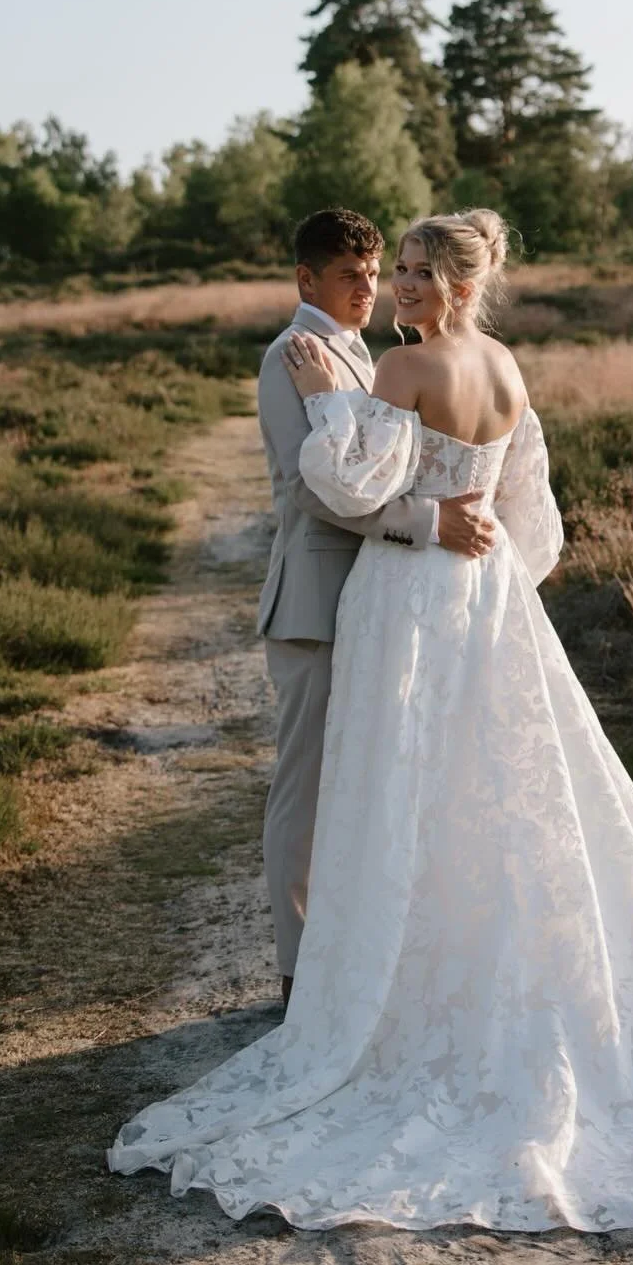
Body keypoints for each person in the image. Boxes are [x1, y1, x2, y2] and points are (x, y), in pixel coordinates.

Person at [109, 208, 633, 1232]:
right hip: (487, 604)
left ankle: (385, 980)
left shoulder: (397, 371)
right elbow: (531, 516)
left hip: (410, 600)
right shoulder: (505, 364)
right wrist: (486, 560)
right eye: (389, 271)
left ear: (456, 281)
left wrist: (332, 406)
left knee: (404, 785)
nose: (397, 287)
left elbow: (344, 479)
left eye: (412, 272)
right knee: (483, 785)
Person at [251, 207, 497, 1012]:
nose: (370, 287)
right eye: (351, 276)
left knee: (375, 787)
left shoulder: (384, 355)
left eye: (375, 272)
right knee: (309, 789)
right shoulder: (294, 356)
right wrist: (433, 522)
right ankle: (296, 974)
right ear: (306, 280)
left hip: (390, 601)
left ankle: (362, 956)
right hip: (319, 601)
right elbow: (317, 493)